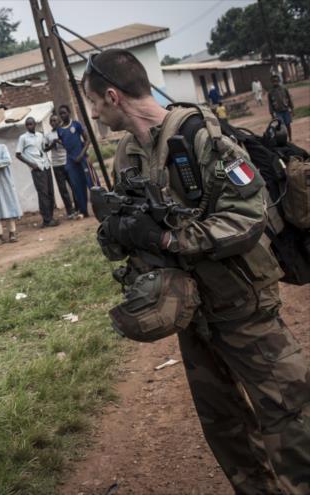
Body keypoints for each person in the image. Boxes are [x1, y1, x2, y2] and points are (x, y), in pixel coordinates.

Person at [83, 49, 310, 495]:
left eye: (93, 102)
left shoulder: (202, 137)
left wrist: (169, 240)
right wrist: (120, 231)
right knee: (224, 425)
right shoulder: (128, 154)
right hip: (190, 311)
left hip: (243, 304)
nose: (93, 113)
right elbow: (133, 227)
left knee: (289, 412)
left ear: (112, 96)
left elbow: (248, 216)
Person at [16, 117, 59, 228]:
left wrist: (52, 144)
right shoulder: (23, 138)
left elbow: (44, 149)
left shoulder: (40, 135)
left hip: (46, 166)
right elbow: (18, 154)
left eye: (31, 124)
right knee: (43, 193)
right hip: (37, 168)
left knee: (50, 192)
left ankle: (50, 218)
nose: (29, 126)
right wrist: (31, 164)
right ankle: (47, 219)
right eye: (27, 124)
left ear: (35, 124)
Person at [56, 105, 92, 218]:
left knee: (91, 183)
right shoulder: (59, 130)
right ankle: (84, 211)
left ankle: (99, 207)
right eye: (60, 114)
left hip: (82, 159)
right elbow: (65, 143)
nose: (62, 115)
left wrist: (81, 154)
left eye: (64, 113)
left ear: (69, 112)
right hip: (71, 162)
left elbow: (87, 140)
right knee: (77, 186)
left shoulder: (76, 124)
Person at [44, 113, 79, 220]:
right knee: (63, 189)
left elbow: (70, 145)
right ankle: (70, 211)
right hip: (56, 165)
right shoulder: (48, 135)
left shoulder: (64, 131)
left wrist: (60, 141)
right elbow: (45, 149)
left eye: (55, 120)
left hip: (67, 162)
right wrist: (52, 144)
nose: (53, 122)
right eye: (51, 121)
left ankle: (78, 208)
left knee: (74, 186)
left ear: (59, 121)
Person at [268, 74, 294, 142]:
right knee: (282, 125)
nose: (275, 82)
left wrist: (292, 109)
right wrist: (272, 114)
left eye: (276, 81)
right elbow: (270, 104)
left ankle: (290, 138)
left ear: (279, 81)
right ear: (271, 82)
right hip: (278, 112)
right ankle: (285, 138)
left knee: (288, 124)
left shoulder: (284, 89)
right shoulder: (270, 92)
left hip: (285, 110)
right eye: (273, 81)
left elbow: (289, 99)